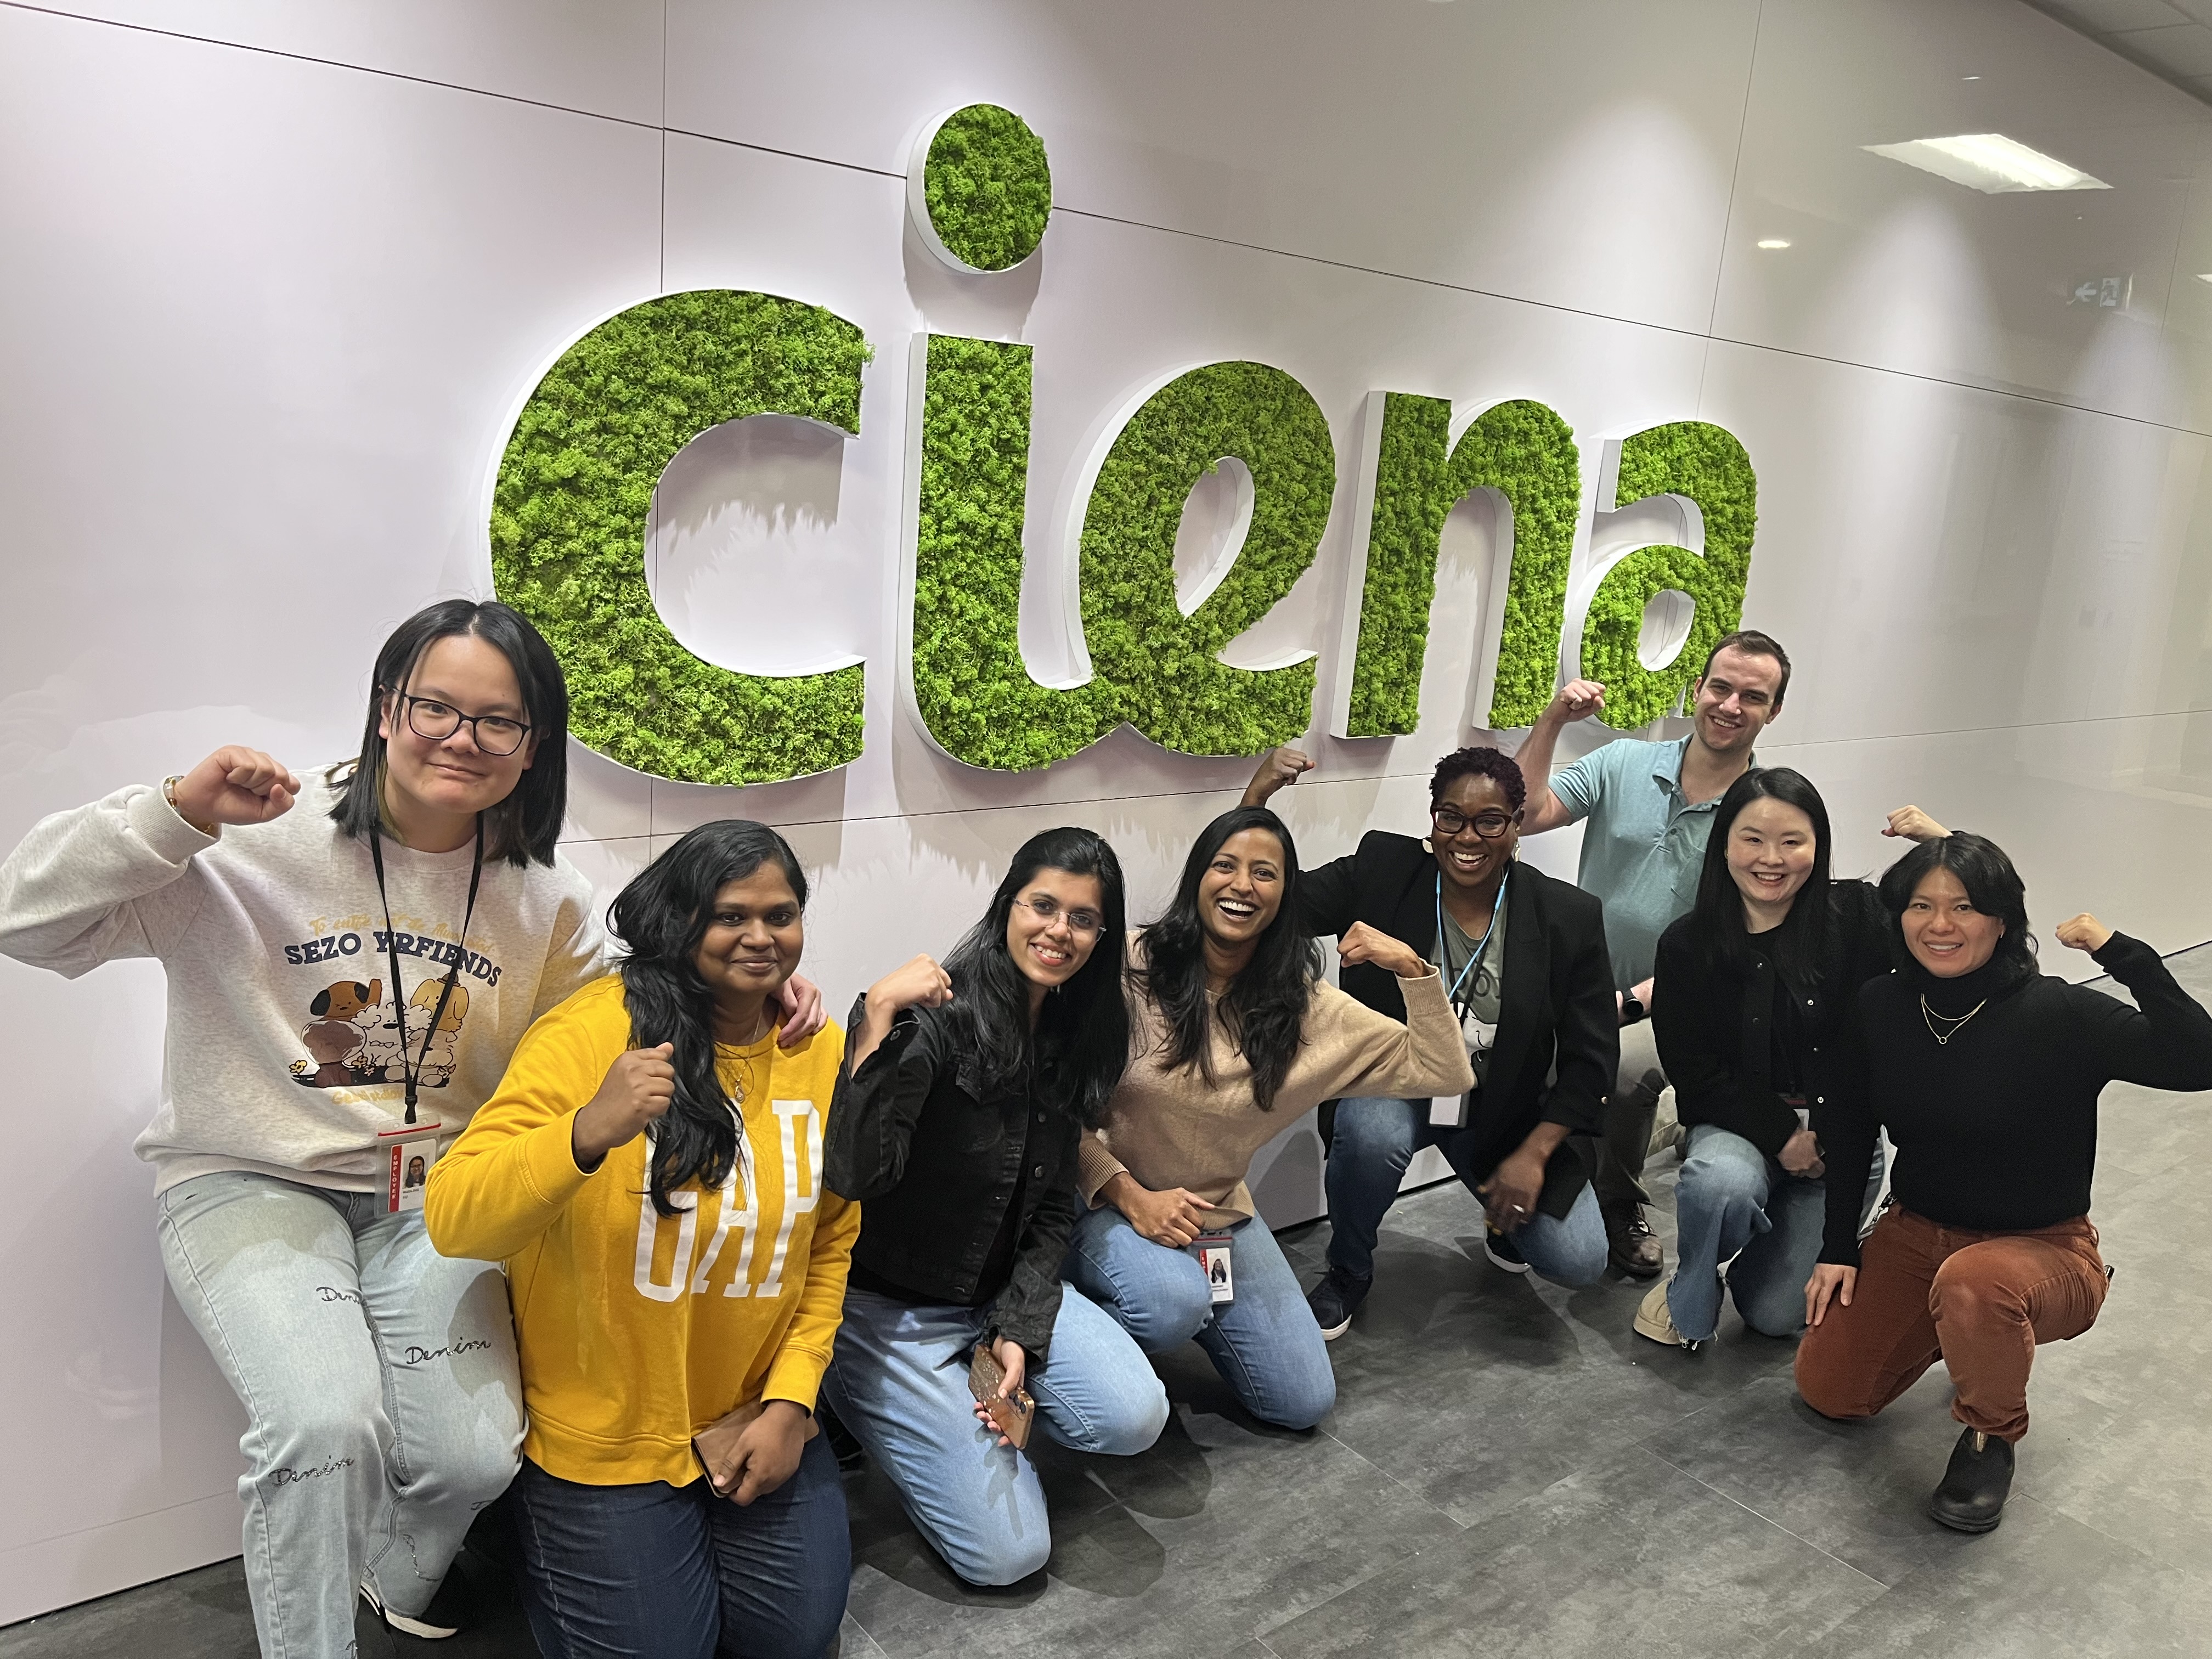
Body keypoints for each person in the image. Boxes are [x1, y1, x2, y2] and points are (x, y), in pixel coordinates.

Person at [0, 599, 823, 1656]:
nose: (461, 738)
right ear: (387, 707)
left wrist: (758, 991)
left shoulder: (544, 896)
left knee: (472, 1457)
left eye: (498, 720)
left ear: (533, 746)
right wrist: (172, 811)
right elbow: (25, 920)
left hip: (430, 1192)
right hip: (253, 1178)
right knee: (323, 1425)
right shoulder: (249, 838)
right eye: (436, 706)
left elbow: (615, 1010)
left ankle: (386, 1578)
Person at [426, 821, 855, 1657]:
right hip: (606, 1443)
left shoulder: (816, 1048)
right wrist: (587, 1131)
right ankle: (523, 1534)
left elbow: (831, 1242)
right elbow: (455, 1217)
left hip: (752, 1414)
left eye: (781, 915)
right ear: (679, 920)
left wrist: (793, 1401)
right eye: (731, 916)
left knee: (795, 1637)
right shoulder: (591, 1034)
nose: (761, 937)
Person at [1796, 834, 2212, 1533]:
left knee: (1976, 1285)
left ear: (2001, 920)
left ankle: (1992, 1432)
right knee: (1830, 1390)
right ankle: (1961, 1331)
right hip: (1915, 1230)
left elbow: (2199, 1061)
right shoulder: (1882, 1004)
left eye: (1964, 907)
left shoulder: (2059, 1013)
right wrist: (1838, 1245)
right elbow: (1852, 1126)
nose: (1940, 924)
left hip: (2040, 1246)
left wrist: (2125, 955)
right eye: (1922, 906)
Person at [820, 828, 1167, 1587]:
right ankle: (845, 1390)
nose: (1060, 931)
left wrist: (1019, 1327)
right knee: (1008, 1557)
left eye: (1083, 919)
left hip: (997, 1291)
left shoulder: (1076, 1033)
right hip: (892, 1309)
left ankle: (957, 1412)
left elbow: (1051, 1209)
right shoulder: (932, 1018)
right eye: (1043, 906)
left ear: (1101, 937)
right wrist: (874, 1021)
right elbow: (852, 1175)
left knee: (1135, 1415)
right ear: (1008, 904)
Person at [1064, 806, 1474, 1429]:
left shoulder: (1309, 1010)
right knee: (1167, 1304)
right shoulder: (1127, 964)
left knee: (1302, 1401)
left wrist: (1413, 971)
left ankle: (1186, 1296)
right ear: (1198, 876)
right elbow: (1047, 1103)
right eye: (1224, 866)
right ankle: (1081, 1313)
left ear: (1286, 894)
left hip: (1214, 1214)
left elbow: (1446, 1073)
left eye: (1265, 873)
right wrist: (1126, 1192)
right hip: (1103, 1199)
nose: (1242, 885)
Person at [1242, 745, 1617, 1338]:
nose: (1467, 837)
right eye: (1451, 817)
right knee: (1370, 1133)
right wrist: (1256, 802)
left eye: (1489, 821)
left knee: (1580, 1259)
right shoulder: (1383, 870)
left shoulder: (1566, 916)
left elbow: (1591, 1061)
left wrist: (1535, 1154)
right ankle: (1348, 1269)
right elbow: (1272, 906)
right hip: (1397, 1088)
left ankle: (1503, 1221)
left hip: (1500, 1109)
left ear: (1517, 824)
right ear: (1433, 817)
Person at [1504, 629, 1793, 1277]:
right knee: (1525, 1055)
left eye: (1752, 697)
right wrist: (1552, 721)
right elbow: (1523, 813)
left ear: (1773, 712)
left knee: (1622, 1072)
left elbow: (1744, 939)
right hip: (1584, 986)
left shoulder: (1765, 812)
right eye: (1721, 688)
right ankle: (1551, 1189)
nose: (1730, 706)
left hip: (1686, 1003)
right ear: (1697, 689)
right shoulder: (1623, 762)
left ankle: (1617, 1202)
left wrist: (1630, 1002)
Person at [1633, 769, 1931, 1350]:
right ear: (1724, 845)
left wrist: (1941, 841)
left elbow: (1955, 915)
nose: (1771, 859)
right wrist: (1782, 1136)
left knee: (1773, 1316)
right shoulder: (1687, 945)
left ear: (1818, 847)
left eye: (1792, 841)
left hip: (1843, 1139)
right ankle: (1694, 1278)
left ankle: (1786, 1249)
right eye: (1753, 839)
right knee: (1720, 1185)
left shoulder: (1860, 916)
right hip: (1738, 1124)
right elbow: (1695, 1075)